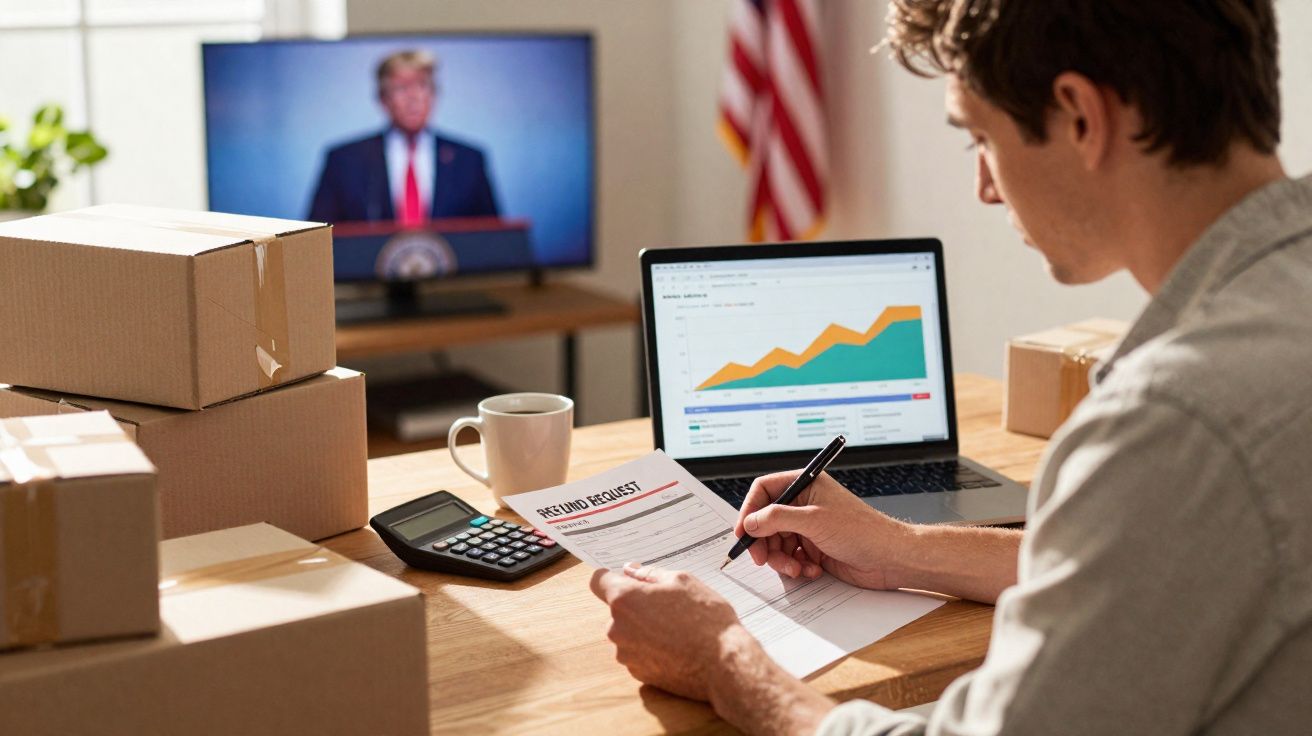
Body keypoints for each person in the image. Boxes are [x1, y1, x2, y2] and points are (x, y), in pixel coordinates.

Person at [591, 1, 1312, 734]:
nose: (985, 188)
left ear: (1080, 116)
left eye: (981, 138)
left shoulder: (1175, 423)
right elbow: (1161, 565)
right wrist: (902, 550)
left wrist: (719, 655)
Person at [308, 49, 499, 225]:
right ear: (383, 99)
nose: (413, 97)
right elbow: (316, 242)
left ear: (434, 95)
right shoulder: (345, 160)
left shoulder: (469, 160)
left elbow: (494, 240)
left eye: (422, 85)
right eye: (401, 88)